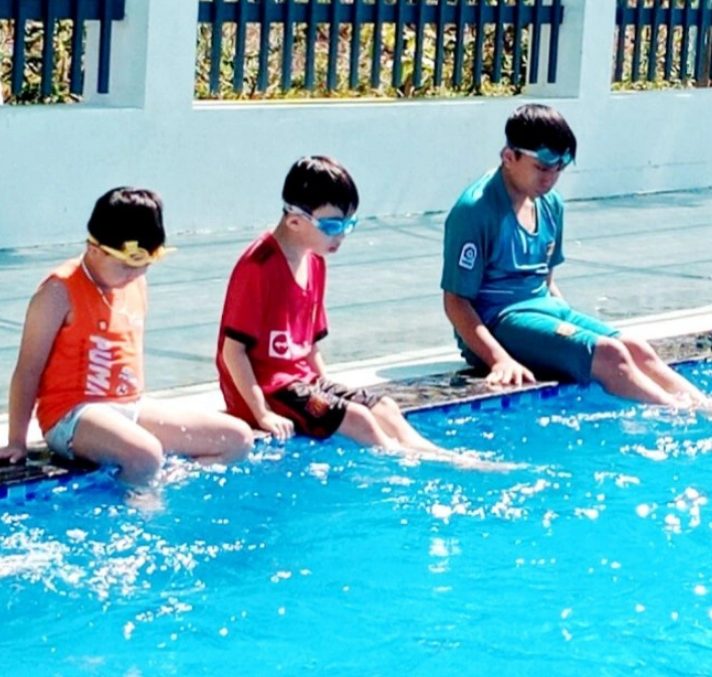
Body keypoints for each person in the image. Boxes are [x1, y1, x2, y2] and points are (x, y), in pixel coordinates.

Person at [442, 105, 701, 406]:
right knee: (610, 355)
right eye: (542, 168)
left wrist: (568, 335)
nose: (550, 179)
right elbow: (455, 302)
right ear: (509, 157)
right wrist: (499, 359)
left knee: (636, 348)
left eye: (559, 169)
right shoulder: (475, 211)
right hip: (497, 322)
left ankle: (709, 408)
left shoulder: (550, 204)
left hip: (542, 311)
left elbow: (546, 281)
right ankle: (681, 416)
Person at [219, 157, 470, 463]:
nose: (342, 235)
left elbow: (310, 347)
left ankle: (438, 455)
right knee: (358, 419)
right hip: (267, 391)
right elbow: (233, 352)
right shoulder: (258, 267)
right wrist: (262, 413)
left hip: (301, 383)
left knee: (384, 408)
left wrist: (329, 390)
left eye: (349, 224)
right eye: (332, 226)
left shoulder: (315, 262)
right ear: (295, 221)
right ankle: (404, 463)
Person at [3, 188, 252, 485]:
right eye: (125, 266)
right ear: (94, 250)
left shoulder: (133, 282)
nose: (135, 275)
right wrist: (16, 440)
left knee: (237, 439)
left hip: (129, 406)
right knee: (145, 454)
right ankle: (141, 497)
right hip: (70, 415)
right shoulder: (58, 292)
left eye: (144, 266)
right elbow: (28, 370)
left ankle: (153, 483)